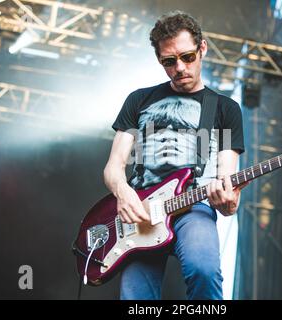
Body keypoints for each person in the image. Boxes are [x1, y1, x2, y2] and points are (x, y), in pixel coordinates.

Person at [103, 11, 245, 300]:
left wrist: (228, 203)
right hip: (141, 211)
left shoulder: (225, 109)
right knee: (135, 297)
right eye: (169, 62)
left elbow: (227, 183)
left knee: (204, 271)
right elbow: (114, 166)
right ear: (160, 61)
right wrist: (123, 192)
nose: (179, 67)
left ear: (202, 48)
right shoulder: (139, 100)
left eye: (187, 57)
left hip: (193, 207)